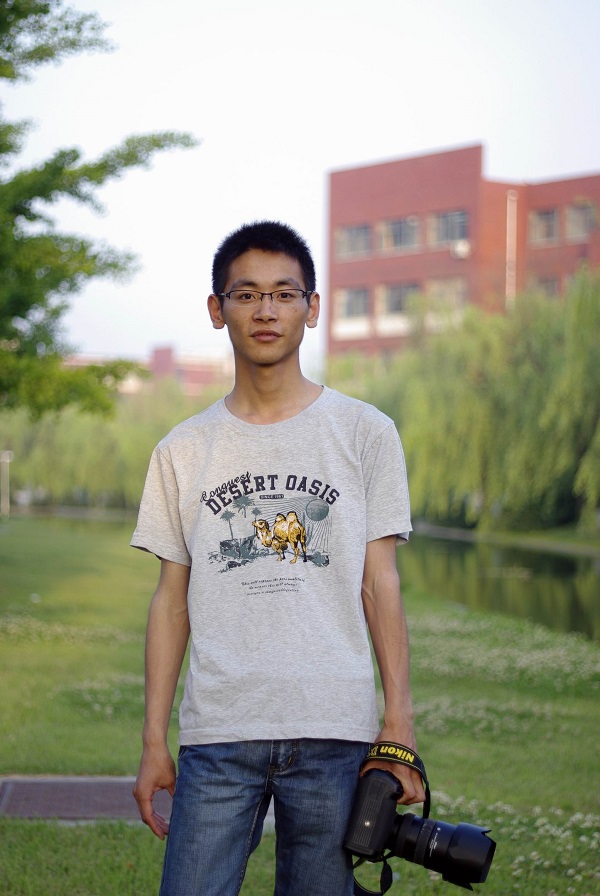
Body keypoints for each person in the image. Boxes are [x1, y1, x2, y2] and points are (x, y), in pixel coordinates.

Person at [131, 220, 425, 896]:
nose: (266, 310)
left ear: (311, 307)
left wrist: (398, 724)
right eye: (246, 294)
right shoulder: (183, 449)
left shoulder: (366, 433)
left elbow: (379, 584)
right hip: (219, 731)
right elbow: (171, 602)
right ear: (218, 309)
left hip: (334, 731)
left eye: (284, 293)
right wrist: (153, 740)